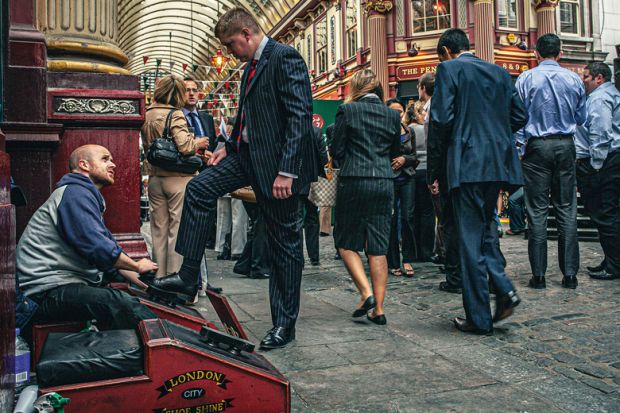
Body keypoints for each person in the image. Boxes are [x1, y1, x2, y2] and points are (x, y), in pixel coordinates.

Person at [150, 7, 319, 350]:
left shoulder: (284, 57)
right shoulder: (250, 67)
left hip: (276, 167)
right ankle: (186, 277)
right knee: (198, 189)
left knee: (284, 246)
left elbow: (299, 117)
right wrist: (228, 144)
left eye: (230, 44)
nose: (228, 51)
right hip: (245, 157)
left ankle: (284, 325)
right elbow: (244, 114)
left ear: (246, 33)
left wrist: (287, 171)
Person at [428, 29, 527, 335]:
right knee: (486, 232)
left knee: (470, 240)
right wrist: (493, 134)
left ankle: (479, 319)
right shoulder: (499, 71)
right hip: (497, 163)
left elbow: (441, 120)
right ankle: (503, 288)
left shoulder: (449, 68)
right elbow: (520, 115)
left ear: (446, 50)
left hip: (466, 164)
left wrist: (434, 170)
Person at [17, 145, 158, 332]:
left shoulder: (83, 194)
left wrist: (137, 278)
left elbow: (105, 243)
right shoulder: (75, 193)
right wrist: (137, 266)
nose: (113, 164)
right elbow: (97, 247)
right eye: (105, 159)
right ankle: (168, 352)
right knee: (119, 303)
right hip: (43, 293)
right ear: (84, 165)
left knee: (122, 290)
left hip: (61, 284)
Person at [515, 33, 586, 290]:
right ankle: (569, 274)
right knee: (567, 209)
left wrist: (522, 145)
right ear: (560, 52)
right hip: (566, 144)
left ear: (536, 53)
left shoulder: (525, 78)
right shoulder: (574, 78)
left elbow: (518, 117)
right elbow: (582, 117)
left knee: (537, 211)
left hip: (536, 147)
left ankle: (539, 275)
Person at [332, 69, 401, 326]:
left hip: (354, 180)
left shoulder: (347, 111)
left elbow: (337, 150)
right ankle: (379, 309)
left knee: (346, 242)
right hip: (384, 181)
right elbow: (395, 151)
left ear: (356, 88)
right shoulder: (393, 115)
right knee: (379, 246)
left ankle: (365, 293)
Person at [142, 75, 209, 278]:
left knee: (159, 232)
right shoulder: (175, 114)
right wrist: (198, 142)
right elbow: (185, 146)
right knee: (177, 233)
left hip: (155, 179)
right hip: (178, 179)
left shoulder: (147, 113)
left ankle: (159, 277)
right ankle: (174, 280)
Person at [575, 62, 620, 280]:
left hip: (604, 162)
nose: (583, 80)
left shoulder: (600, 98)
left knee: (605, 213)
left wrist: (596, 165)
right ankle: (611, 259)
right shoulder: (609, 94)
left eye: (586, 77)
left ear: (598, 78)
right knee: (606, 214)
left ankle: (614, 264)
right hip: (609, 160)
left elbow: (601, 132)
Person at [182, 76, 221, 295]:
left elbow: (213, 144)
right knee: (191, 227)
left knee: (205, 226)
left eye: (195, 89)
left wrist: (210, 156)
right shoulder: (177, 116)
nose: (192, 93)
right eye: (187, 90)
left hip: (207, 175)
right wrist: (198, 152)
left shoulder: (205, 118)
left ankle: (203, 278)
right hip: (186, 176)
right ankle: (192, 277)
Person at [385, 98, 418, 278]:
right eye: (394, 111)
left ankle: (407, 258)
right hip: (389, 178)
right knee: (391, 219)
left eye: (400, 111)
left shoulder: (409, 130)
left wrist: (404, 159)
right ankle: (393, 261)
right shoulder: (384, 131)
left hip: (407, 178)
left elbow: (414, 156)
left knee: (407, 217)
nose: (398, 114)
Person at [409, 87, 436, 263]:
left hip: (413, 172)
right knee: (428, 212)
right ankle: (427, 250)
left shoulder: (408, 129)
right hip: (427, 170)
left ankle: (415, 249)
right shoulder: (424, 128)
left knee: (414, 212)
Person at [299, 126, 329, 266]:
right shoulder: (316, 132)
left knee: (296, 219)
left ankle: (298, 256)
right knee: (312, 218)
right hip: (312, 180)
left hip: (295, 181)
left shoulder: (291, 129)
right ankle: (314, 256)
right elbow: (323, 158)